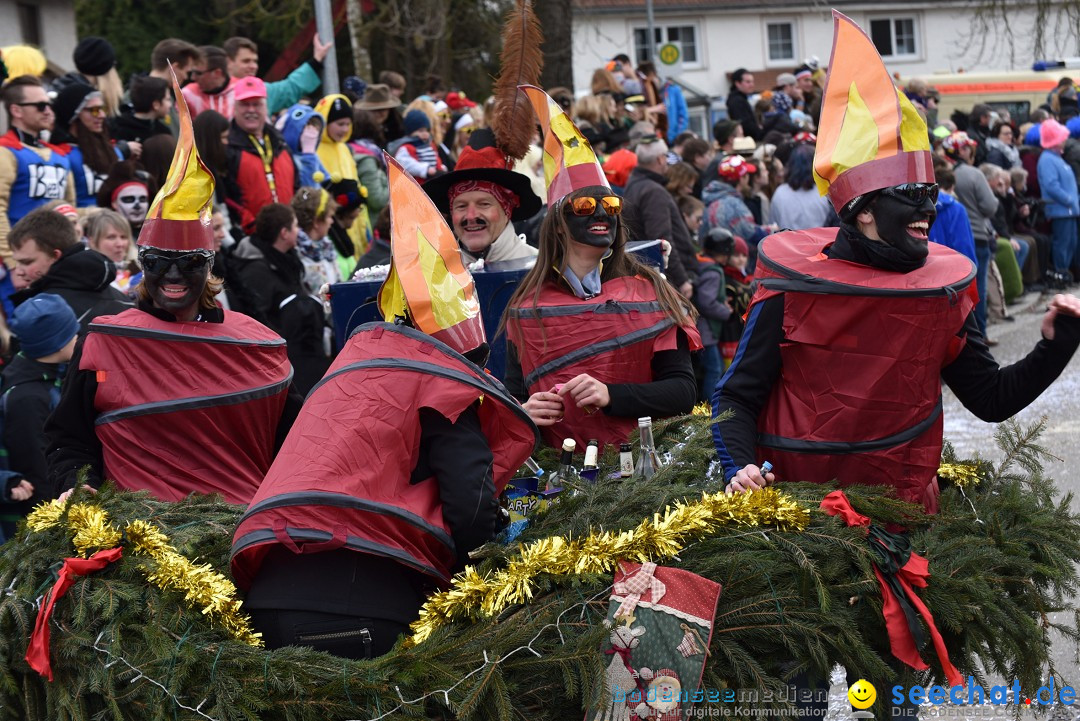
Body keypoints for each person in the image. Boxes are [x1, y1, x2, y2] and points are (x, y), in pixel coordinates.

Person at [714, 14, 1080, 714]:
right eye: (910, 198)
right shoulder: (793, 286)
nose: (929, 209)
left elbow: (990, 397)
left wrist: (1058, 342)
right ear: (860, 211)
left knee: (892, 699)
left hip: (896, 530)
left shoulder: (942, 289)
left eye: (932, 196)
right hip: (795, 529)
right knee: (796, 698)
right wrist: (739, 467)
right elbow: (736, 396)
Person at [230, 155, 538, 660]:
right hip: (369, 601)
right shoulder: (444, 387)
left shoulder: (346, 381)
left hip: (265, 596)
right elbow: (472, 508)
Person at [45, 80, 296, 504]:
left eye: (190, 262)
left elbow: (297, 438)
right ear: (143, 263)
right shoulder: (105, 340)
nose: (172, 275)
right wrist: (75, 482)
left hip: (239, 521)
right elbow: (67, 436)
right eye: (158, 260)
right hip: (138, 535)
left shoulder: (253, 342)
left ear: (211, 265)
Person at [502, 86, 701, 450]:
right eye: (583, 206)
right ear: (559, 222)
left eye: (609, 205)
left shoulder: (651, 290)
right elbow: (514, 394)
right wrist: (523, 410)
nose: (599, 214)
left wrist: (612, 395)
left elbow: (683, 391)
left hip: (643, 473)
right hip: (560, 475)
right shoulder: (528, 306)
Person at [231, 203, 329, 395]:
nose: (298, 230)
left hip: (300, 354)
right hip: (282, 363)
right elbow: (259, 320)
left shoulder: (287, 261)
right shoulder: (256, 271)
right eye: (295, 226)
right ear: (284, 233)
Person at [2, 294, 79, 511]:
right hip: (41, 512)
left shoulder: (46, 377)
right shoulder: (29, 397)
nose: (78, 337)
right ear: (56, 343)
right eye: (73, 332)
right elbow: (38, 466)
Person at [423, 128, 542, 265]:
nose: (471, 216)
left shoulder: (540, 270)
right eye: (461, 206)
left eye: (484, 204)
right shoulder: (436, 274)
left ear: (507, 210)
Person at [9, 207, 132, 328]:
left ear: (55, 256)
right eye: (17, 262)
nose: (18, 272)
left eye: (27, 262)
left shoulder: (43, 314)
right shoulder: (126, 303)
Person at [0, 76, 76, 264]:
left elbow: (70, 208)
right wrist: (13, 263)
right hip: (20, 264)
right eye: (41, 106)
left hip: (60, 259)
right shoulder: (5, 152)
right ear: (16, 110)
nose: (48, 111)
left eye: (49, 105)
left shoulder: (60, 155)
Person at [621, 137, 696, 297]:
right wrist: (682, 279)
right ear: (661, 159)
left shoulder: (635, 184)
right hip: (668, 280)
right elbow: (662, 240)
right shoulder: (653, 191)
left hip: (650, 274)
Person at [223, 77, 298, 235]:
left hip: (288, 235)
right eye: (244, 104)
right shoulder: (227, 147)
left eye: (256, 104)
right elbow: (226, 196)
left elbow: (296, 186)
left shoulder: (280, 142)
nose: (251, 110)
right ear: (234, 108)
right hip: (251, 238)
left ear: (266, 107)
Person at [944, 130, 999, 337]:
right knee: (978, 290)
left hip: (948, 239)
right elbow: (990, 206)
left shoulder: (941, 172)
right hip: (976, 235)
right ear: (964, 150)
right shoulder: (973, 174)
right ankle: (979, 335)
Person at [51, 82, 123, 208]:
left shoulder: (115, 152)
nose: (102, 115)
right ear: (73, 116)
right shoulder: (60, 156)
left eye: (102, 109)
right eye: (94, 110)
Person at [223, 35, 332, 115]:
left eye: (255, 61)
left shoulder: (264, 91)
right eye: (246, 61)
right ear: (228, 62)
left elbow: (291, 88)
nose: (253, 66)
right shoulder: (213, 92)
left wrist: (316, 60)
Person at [1037, 119, 1080, 287]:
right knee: (1063, 244)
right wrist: (1069, 200)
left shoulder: (1056, 158)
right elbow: (1051, 185)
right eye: (1062, 137)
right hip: (1061, 210)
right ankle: (1060, 274)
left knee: (1071, 243)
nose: (1065, 140)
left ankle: (1065, 273)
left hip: (1068, 210)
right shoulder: (1048, 159)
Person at [693, 227, 734, 402]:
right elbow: (706, 302)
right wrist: (727, 312)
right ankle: (709, 407)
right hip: (706, 331)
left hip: (701, 330)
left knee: (707, 369)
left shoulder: (701, 263)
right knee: (714, 369)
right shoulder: (713, 272)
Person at [769, 144, 831, 230]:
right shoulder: (825, 193)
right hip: (821, 242)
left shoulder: (780, 193)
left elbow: (773, 225)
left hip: (787, 242)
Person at [110, 75, 174, 144]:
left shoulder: (163, 131)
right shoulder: (120, 130)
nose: (170, 105)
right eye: (168, 99)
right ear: (156, 105)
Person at [394, 109, 446, 183]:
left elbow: (436, 159)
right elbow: (406, 164)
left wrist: (440, 167)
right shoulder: (407, 147)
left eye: (427, 130)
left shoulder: (430, 145)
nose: (425, 133)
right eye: (421, 131)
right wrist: (425, 169)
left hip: (434, 180)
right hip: (417, 184)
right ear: (410, 132)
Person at [726, 69, 763, 142]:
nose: (752, 85)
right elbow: (745, 125)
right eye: (748, 82)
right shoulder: (737, 101)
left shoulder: (740, 99)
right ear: (737, 83)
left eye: (752, 82)